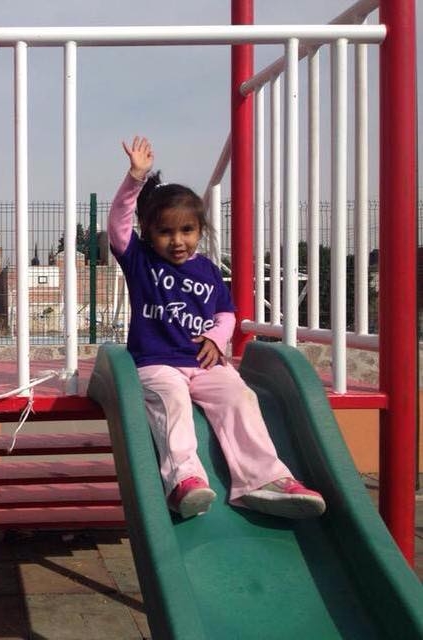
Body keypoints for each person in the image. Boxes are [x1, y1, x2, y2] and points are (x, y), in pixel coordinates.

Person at [108, 135, 325, 519]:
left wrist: (215, 336)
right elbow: (118, 223)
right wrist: (135, 179)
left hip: (205, 363)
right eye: (165, 232)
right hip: (157, 363)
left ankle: (262, 479)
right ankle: (183, 481)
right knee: (172, 401)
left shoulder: (206, 270)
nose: (178, 241)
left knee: (240, 396)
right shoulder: (140, 261)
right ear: (148, 232)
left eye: (187, 230)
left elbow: (226, 313)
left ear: (200, 229)